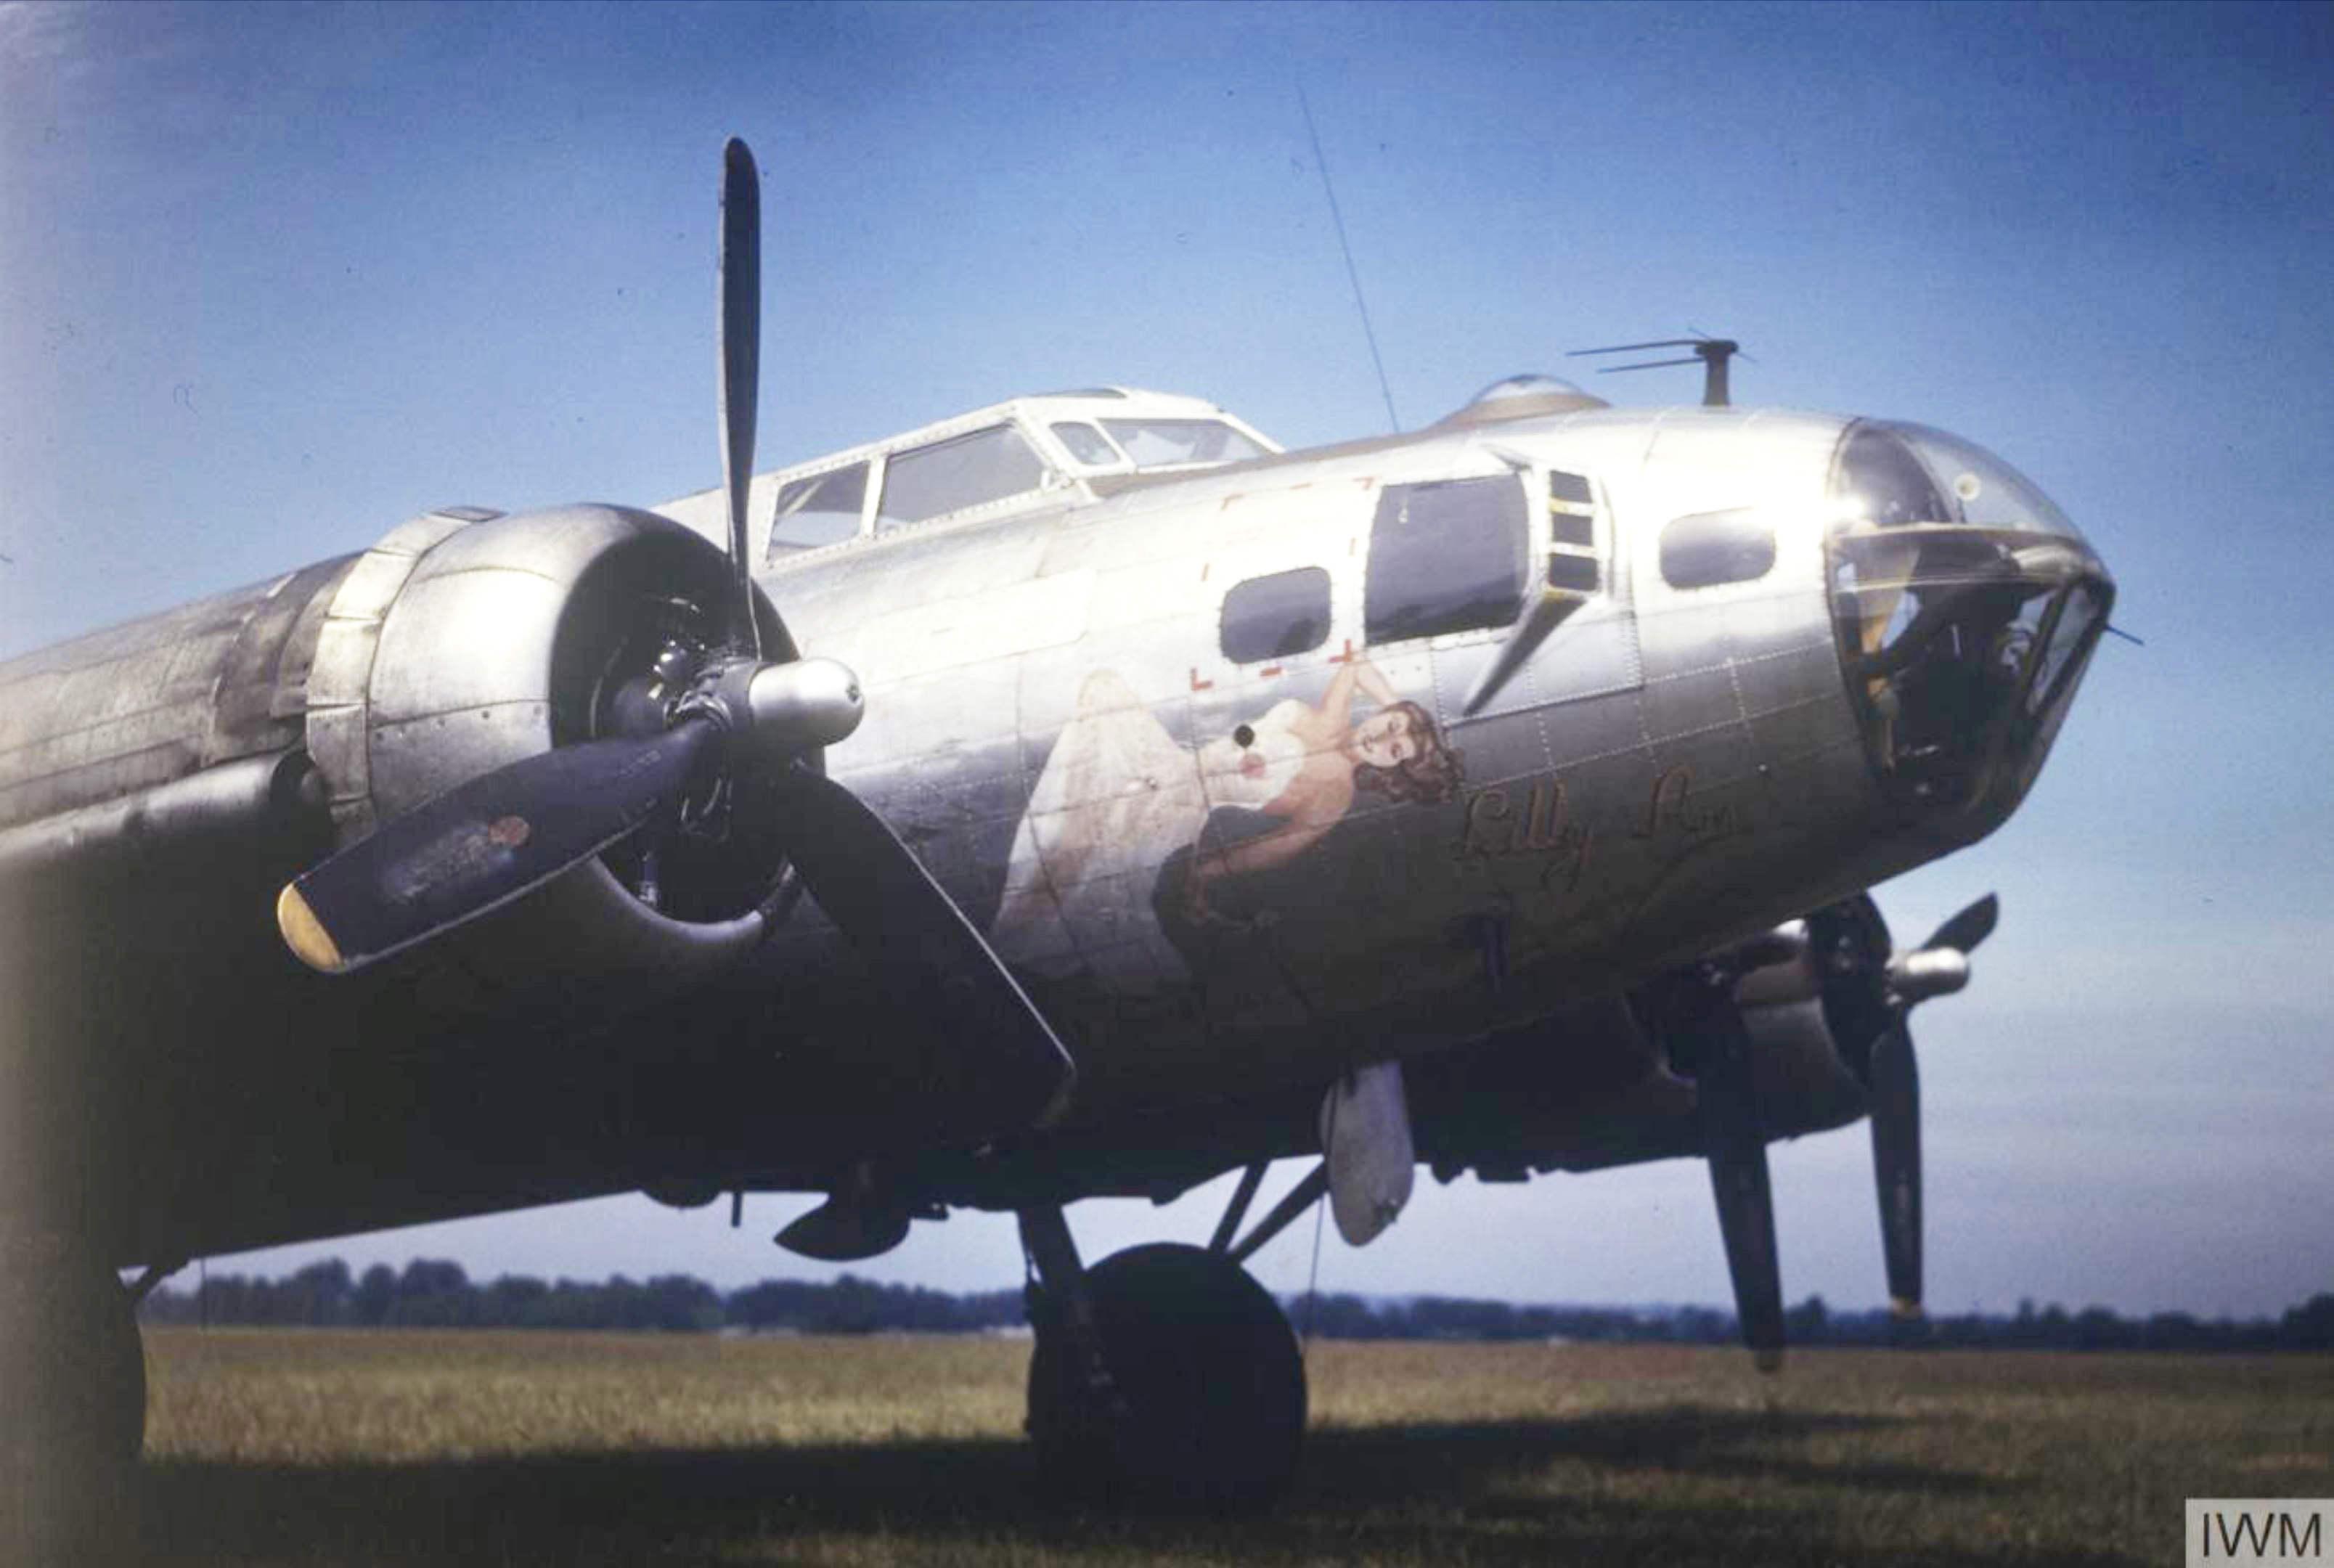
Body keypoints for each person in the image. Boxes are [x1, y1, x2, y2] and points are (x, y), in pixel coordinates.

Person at [989, 658, 1461, 987]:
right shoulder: (1321, 721)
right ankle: (1012, 941)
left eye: (1395, 750)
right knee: (1103, 691)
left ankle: (1009, 948)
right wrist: (1409, 713)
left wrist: (1199, 873)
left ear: (1392, 771)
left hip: (1177, 807)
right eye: (1391, 724)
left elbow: (1275, 848)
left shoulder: (1335, 791)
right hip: (1175, 766)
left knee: (1076, 855)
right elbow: (1354, 668)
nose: (1382, 737)